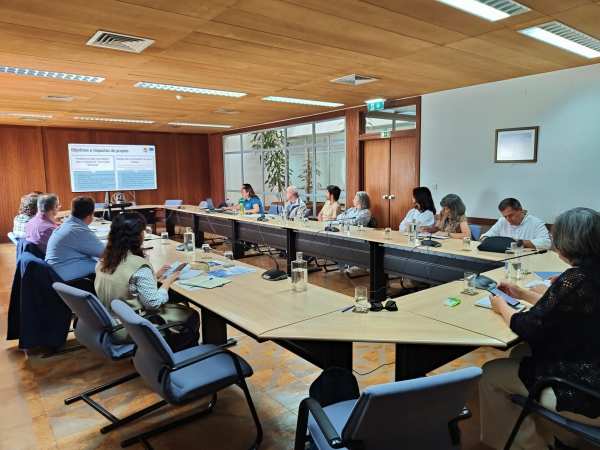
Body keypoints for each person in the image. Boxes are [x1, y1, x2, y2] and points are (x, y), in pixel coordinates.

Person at [480, 207, 600, 450]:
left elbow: (528, 327)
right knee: (520, 352)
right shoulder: (592, 274)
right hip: (591, 361)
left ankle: (530, 446)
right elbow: (566, 309)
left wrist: (501, 306)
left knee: (489, 374)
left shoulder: (576, 279)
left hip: (588, 391)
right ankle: (544, 440)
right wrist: (522, 294)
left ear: (569, 243)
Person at [94, 212, 199, 350]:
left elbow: (126, 284)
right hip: (132, 326)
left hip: (112, 322)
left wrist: (153, 276)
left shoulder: (104, 260)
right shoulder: (139, 265)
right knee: (191, 315)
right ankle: (170, 353)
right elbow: (153, 303)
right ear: (137, 236)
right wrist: (168, 281)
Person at [45, 196, 105, 281]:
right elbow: (107, 253)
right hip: (72, 279)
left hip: (58, 272)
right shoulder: (78, 230)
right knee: (112, 267)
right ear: (91, 214)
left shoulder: (68, 225)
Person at [480, 198, 551, 250]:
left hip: (527, 260)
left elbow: (547, 243)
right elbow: (485, 236)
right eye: (505, 217)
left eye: (511, 215)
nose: (508, 219)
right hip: (503, 258)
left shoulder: (536, 223)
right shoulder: (502, 221)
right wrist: (486, 240)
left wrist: (519, 242)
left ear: (520, 209)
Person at [336, 191, 371, 274]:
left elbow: (354, 223)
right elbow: (339, 217)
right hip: (347, 233)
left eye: (355, 198)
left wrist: (346, 219)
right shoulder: (351, 210)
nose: (353, 200)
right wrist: (348, 219)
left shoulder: (366, 212)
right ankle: (342, 263)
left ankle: (360, 265)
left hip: (359, 236)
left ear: (361, 201)